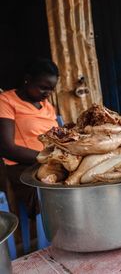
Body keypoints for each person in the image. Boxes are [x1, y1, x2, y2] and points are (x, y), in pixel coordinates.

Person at [0, 57, 59, 217]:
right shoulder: (6, 101)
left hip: (53, 163)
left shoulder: (47, 106)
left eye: (51, 89)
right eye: (42, 88)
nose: (47, 94)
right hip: (25, 167)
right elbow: (6, 148)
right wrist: (47, 158)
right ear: (27, 80)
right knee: (58, 192)